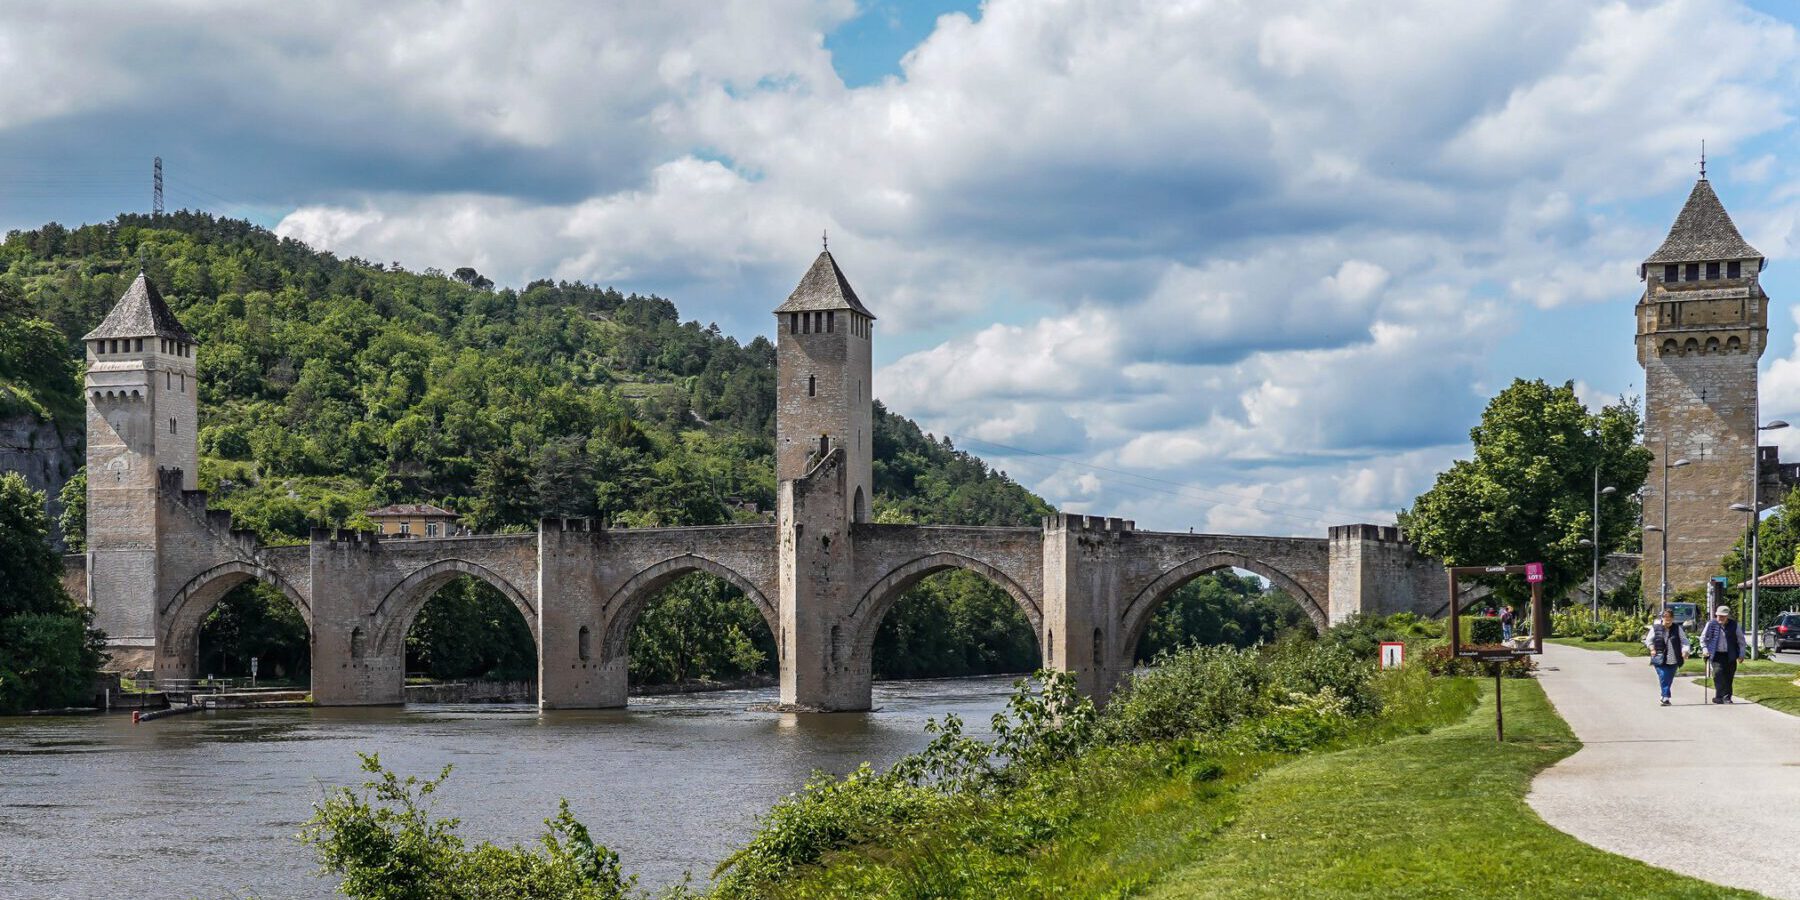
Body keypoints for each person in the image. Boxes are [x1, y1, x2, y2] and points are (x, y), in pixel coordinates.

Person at [1700, 604, 1749, 704]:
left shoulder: (1734, 625)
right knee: (1718, 673)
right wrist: (1705, 650)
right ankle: (1719, 695)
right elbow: (1703, 639)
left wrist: (1741, 654)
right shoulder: (1711, 624)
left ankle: (1726, 697)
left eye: (1722, 616)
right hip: (1716, 654)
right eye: (1718, 615)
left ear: (1727, 616)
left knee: (1729, 676)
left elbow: (1741, 641)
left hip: (1730, 654)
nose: (1720, 618)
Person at [1643, 607, 1687, 706]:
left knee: (1668, 679)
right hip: (1659, 658)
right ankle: (1665, 698)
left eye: (1670, 618)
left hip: (1673, 659)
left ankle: (1664, 696)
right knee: (1663, 676)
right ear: (1662, 618)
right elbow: (1648, 641)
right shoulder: (1655, 628)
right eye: (1665, 617)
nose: (1667, 620)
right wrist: (1652, 649)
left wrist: (1685, 651)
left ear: (1672, 618)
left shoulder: (1677, 628)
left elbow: (1685, 641)